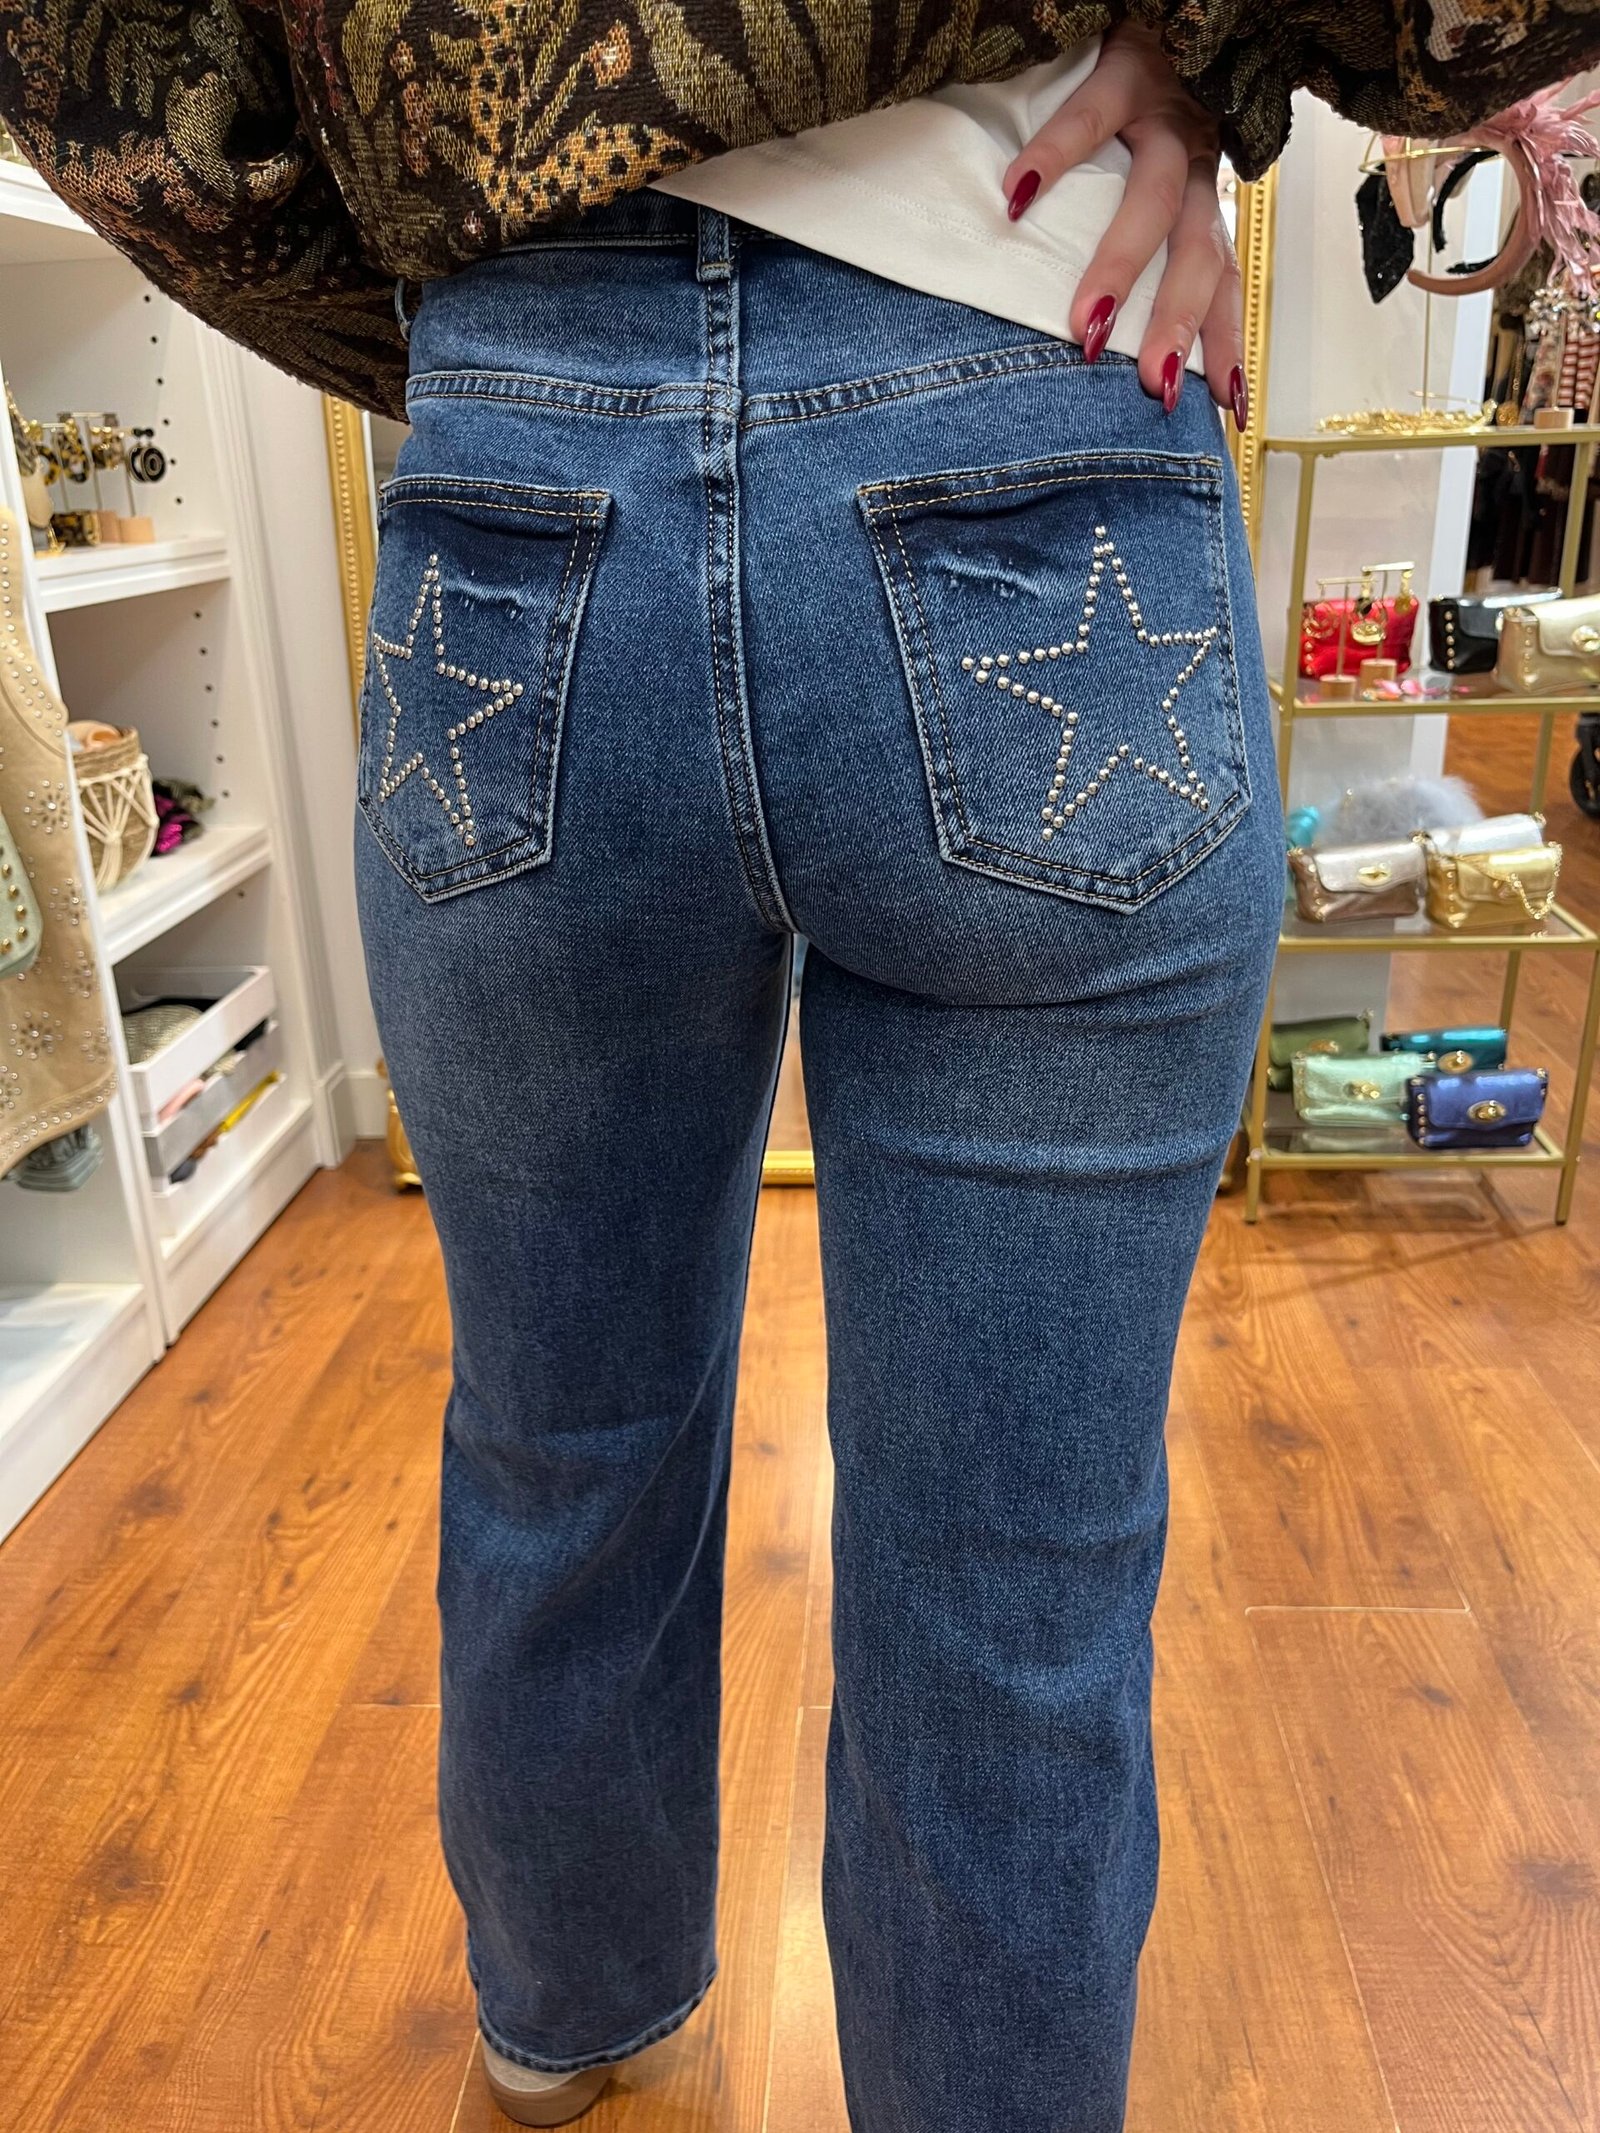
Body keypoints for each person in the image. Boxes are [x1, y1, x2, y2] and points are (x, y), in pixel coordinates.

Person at [5, 4, 1597, 2127]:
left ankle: (564, 2011)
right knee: (1017, 1563)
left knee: (561, 1431)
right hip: (1032, 377)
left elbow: (101, 62)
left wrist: (465, 296)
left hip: (524, 472)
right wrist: (1210, 51)